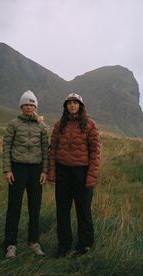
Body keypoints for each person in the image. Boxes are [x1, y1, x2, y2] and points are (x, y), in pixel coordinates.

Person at [48, 93, 100, 257]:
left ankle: (85, 246)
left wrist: (91, 177)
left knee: (83, 210)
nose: (72, 105)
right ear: (66, 106)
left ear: (80, 106)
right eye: (69, 103)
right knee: (62, 211)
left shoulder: (90, 125)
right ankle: (64, 245)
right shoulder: (59, 125)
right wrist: (52, 172)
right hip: (63, 172)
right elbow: (52, 150)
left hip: (82, 173)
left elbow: (95, 153)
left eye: (75, 103)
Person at [3, 90, 49, 258]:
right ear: (21, 106)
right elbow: (6, 146)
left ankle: (33, 241)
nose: (29, 107)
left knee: (35, 207)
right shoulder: (13, 124)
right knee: (13, 207)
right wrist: (7, 169)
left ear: (35, 107)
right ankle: (10, 245)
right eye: (26, 104)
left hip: (36, 170)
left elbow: (46, 149)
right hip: (17, 169)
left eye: (32, 104)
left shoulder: (42, 126)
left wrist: (45, 170)